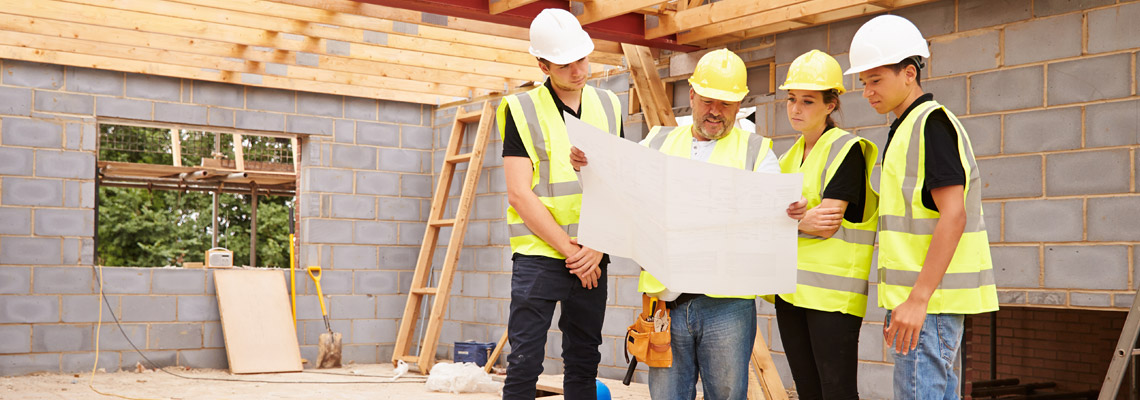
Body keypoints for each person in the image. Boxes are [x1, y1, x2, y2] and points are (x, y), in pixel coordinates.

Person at [572, 48, 780, 400]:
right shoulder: (658, 141)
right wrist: (587, 169)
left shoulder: (757, 151)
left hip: (726, 306)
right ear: (692, 93)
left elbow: (771, 212)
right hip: (666, 303)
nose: (715, 111)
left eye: (726, 104)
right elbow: (619, 196)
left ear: (741, 104)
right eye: (708, 101)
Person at [845, 14, 999, 399]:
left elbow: (954, 214)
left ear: (909, 73)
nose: (867, 92)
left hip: (929, 305)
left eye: (876, 80)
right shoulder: (905, 128)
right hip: (923, 304)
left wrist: (917, 299)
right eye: (864, 83)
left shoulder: (931, 125)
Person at [499, 8, 623, 400]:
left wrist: (596, 248)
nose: (578, 70)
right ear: (542, 63)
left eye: (583, 59)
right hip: (541, 254)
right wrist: (573, 252)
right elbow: (519, 192)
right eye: (565, 64)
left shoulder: (610, 105)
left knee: (584, 361)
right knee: (525, 362)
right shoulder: (520, 109)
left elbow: (620, 184)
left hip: (592, 252)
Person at [770, 49, 879, 400]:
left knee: (836, 391)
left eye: (807, 101)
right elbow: (770, 222)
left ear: (831, 105)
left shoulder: (847, 150)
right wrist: (800, 222)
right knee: (806, 390)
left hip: (833, 299)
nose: (796, 109)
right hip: (790, 293)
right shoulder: (787, 158)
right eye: (791, 99)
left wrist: (787, 222)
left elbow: (826, 223)